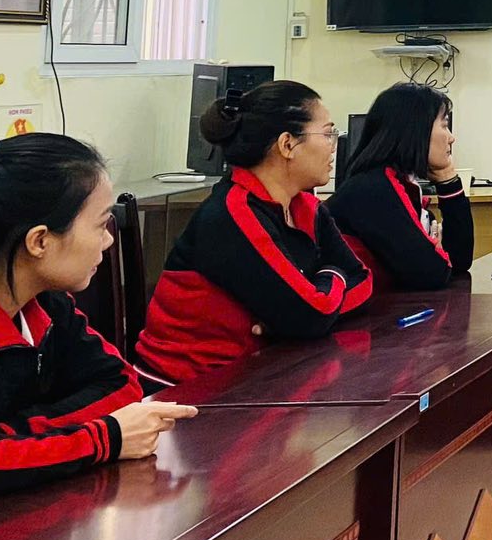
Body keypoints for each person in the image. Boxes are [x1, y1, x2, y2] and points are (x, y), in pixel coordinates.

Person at [0, 135, 195, 501]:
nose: (108, 241)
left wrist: (7, 438)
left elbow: (121, 384)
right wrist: (103, 438)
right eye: (100, 225)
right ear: (39, 241)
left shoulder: (47, 304)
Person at [136, 80, 373, 384]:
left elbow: (362, 281)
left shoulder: (306, 207)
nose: (333, 146)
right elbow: (311, 316)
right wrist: (330, 278)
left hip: (260, 369)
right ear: (287, 144)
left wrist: (293, 318)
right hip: (186, 387)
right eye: (327, 134)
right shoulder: (232, 214)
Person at [327, 82, 474, 290]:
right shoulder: (373, 190)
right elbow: (431, 274)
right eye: (444, 125)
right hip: (367, 309)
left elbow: (459, 261)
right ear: (416, 129)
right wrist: (435, 255)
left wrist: (447, 178)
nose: (451, 138)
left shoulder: (399, 183)